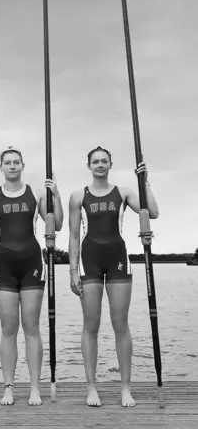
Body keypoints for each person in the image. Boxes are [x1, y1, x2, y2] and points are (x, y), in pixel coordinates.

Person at [68, 146, 159, 408]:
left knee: (121, 324)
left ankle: (125, 388)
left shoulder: (124, 193)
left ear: (110, 164)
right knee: (91, 325)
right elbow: (73, 236)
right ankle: (91, 388)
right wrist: (73, 270)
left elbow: (152, 212)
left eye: (104, 161)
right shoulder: (77, 196)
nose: (100, 165)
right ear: (89, 166)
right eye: (95, 161)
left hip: (118, 258)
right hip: (89, 261)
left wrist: (145, 182)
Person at [0, 146, 63, 406]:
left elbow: (56, 225)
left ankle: (35, 388)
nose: (12, 166)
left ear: (23, 166)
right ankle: (8, 387)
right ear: (1, 167)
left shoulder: (36, 194)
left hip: (32, 263)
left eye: (17, 162)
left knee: (32, 327)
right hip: (3, 263)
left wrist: (56, 195)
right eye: (8, 162)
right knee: (8, 328)